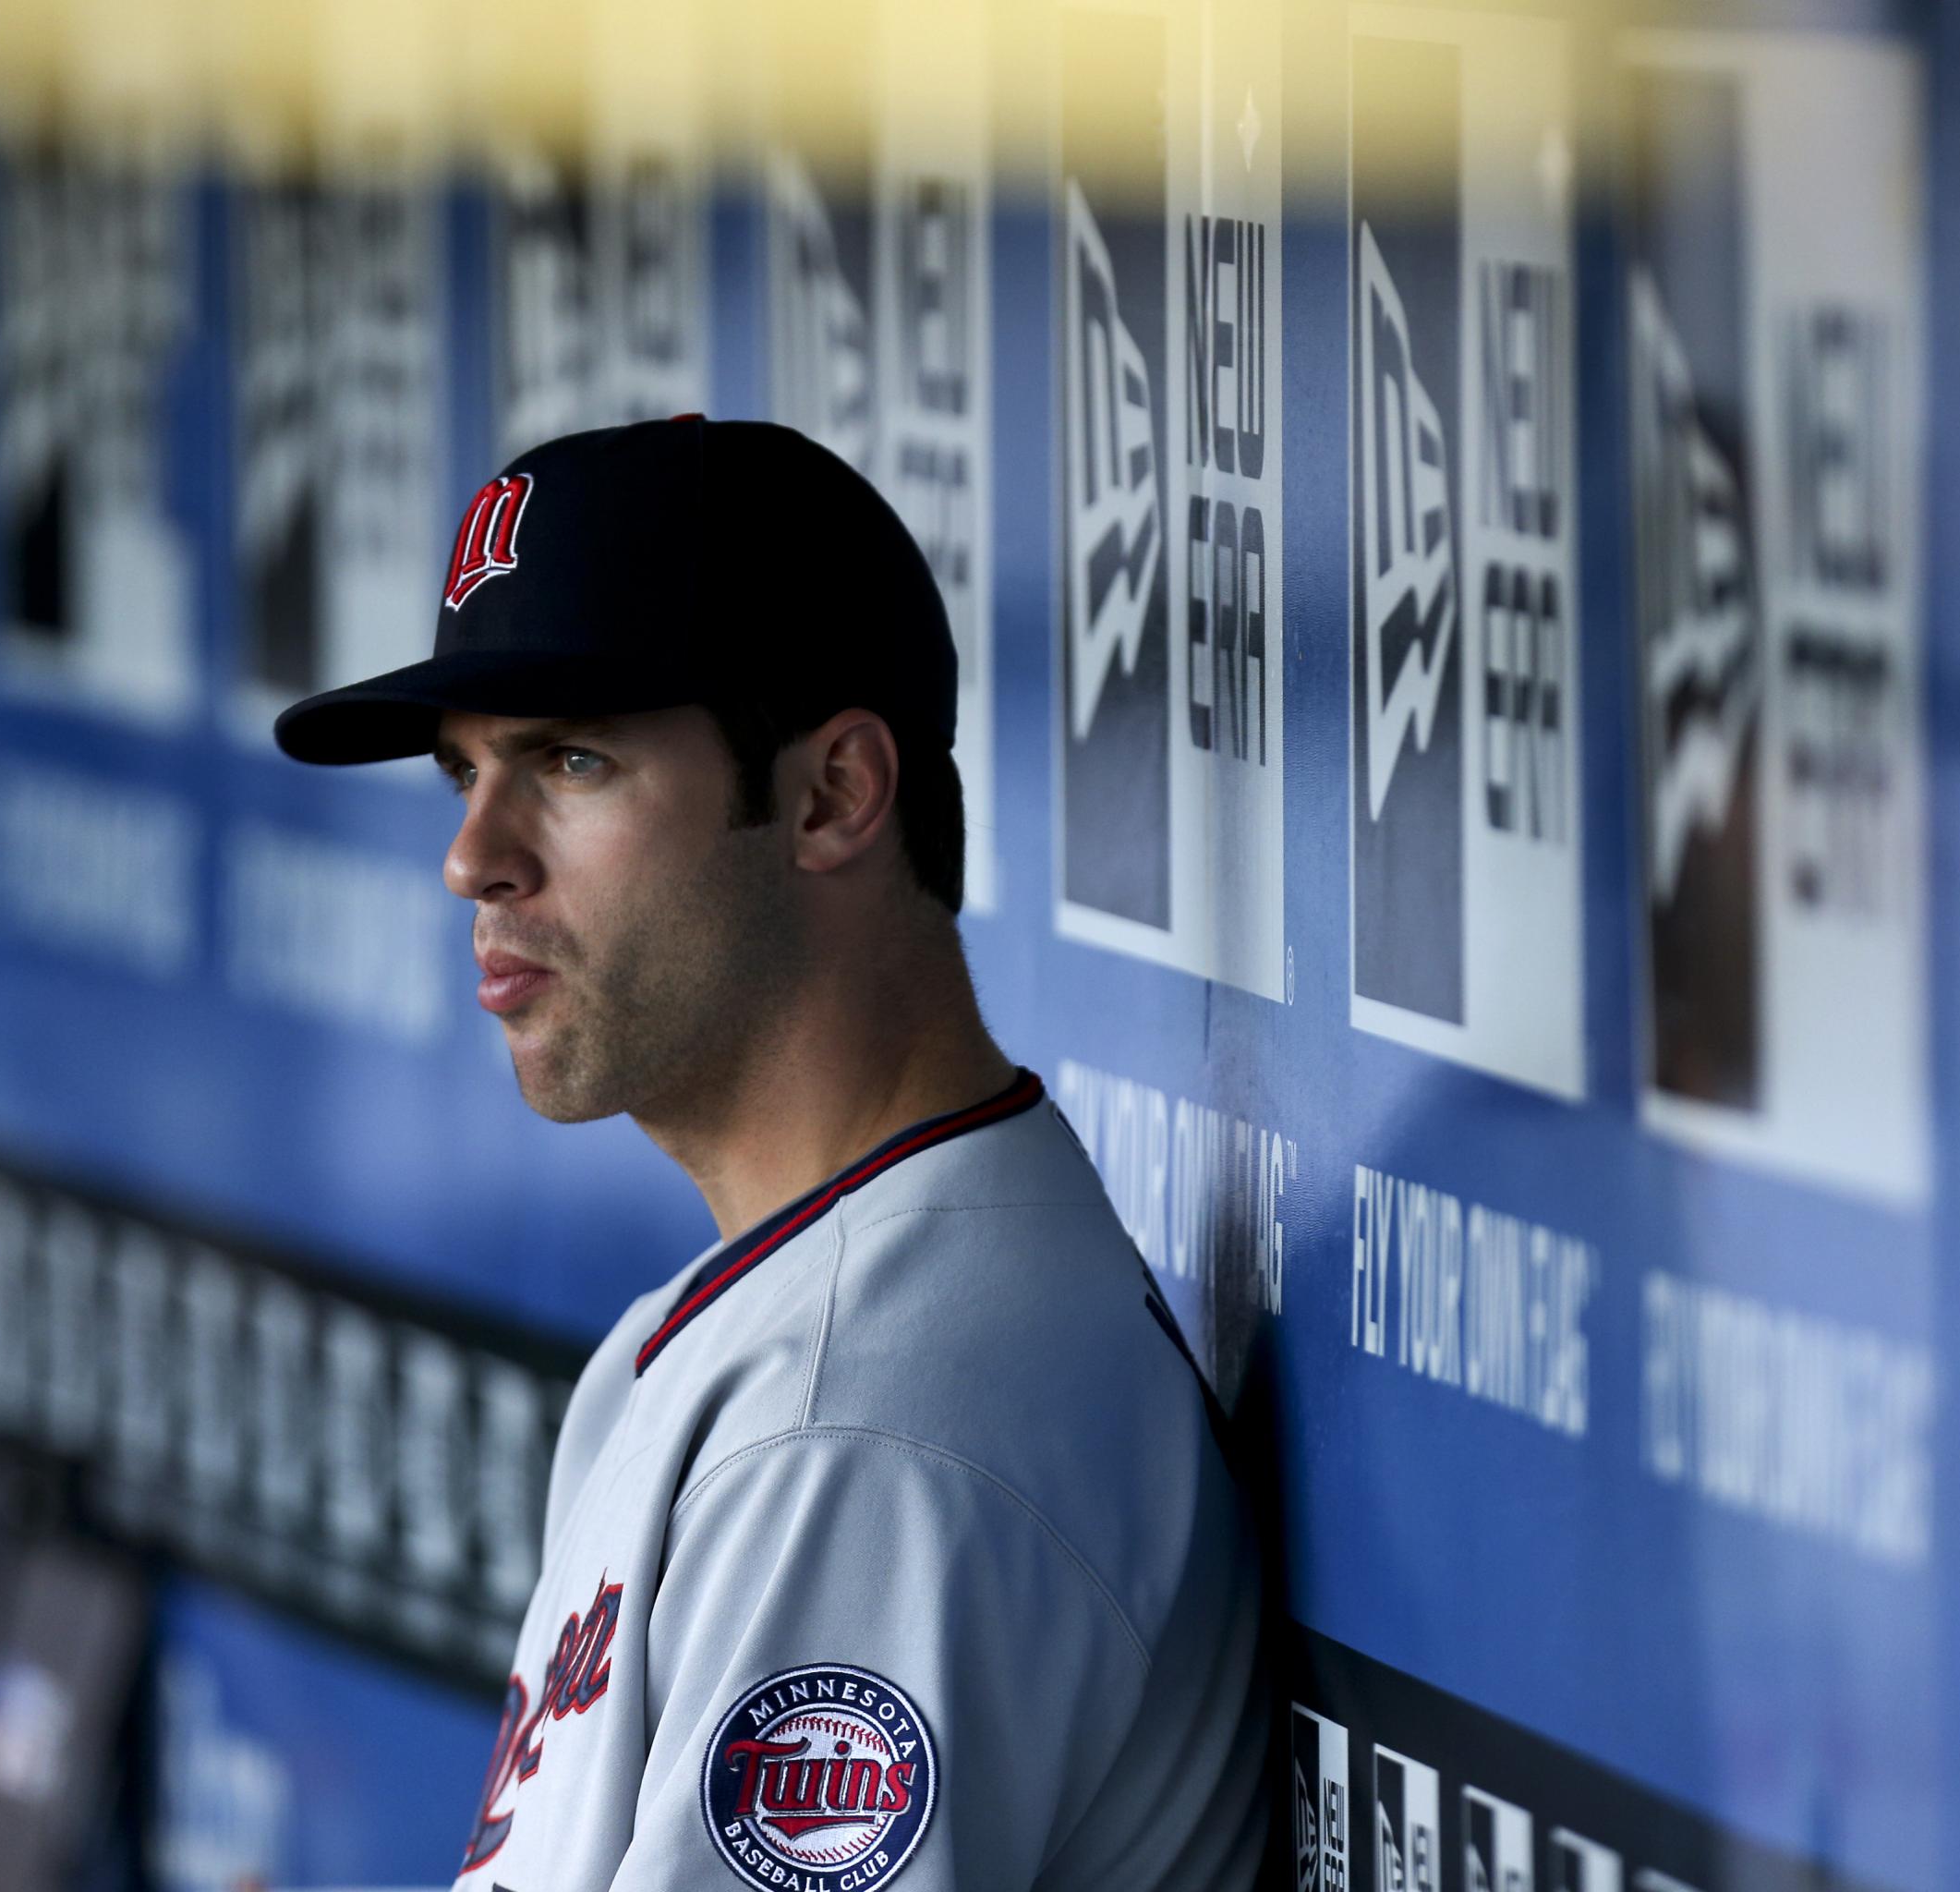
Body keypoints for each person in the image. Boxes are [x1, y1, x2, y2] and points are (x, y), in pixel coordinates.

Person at [274, 417, 1266, 1892]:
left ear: (832, 797)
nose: (474, 853)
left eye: (572, 758)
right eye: (463, 772)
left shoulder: (871, 1424)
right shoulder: (779, 1332)